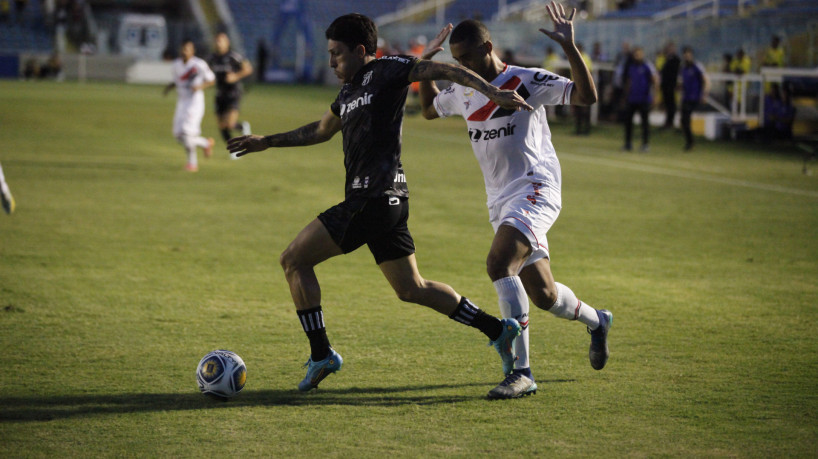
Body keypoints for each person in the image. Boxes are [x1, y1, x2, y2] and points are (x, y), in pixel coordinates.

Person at [226, 13, 533, 393]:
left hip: (373, 197)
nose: (331, 62)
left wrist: (493, 92)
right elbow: (321, 130)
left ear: (359, 50)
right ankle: (497, 329)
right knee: (412, 288)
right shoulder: (347, 92)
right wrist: (267, 141)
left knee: (293, 260)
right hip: (384, 201)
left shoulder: (388, 69)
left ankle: (321, 354)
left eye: (336, 54)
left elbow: (441, 69)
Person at [418, 1, 612, 400]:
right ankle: (598, 321)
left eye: (467, 57)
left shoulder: (526, 80)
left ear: (488, 47)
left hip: (536, 188)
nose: (463, 66)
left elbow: (585, 98)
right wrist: (427, 65)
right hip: (500, 201)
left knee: (498, 263)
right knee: (544, 296)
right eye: (457, 60)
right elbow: (428, 110)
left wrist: (571, 50)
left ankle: (521, 374)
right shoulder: (465, 91)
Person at [163, 39, 216, 172]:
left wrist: (200, 86)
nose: (184, 51)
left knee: (187, 134)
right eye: (183, 48)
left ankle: (192, 164)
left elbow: (212, 80)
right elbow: (178, 80)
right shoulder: (176, 65)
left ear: (193, 51)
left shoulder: (199, 65)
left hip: (194, 103)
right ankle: (205, 143)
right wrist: (169, 87)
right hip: (182, 102)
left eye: (187, 49)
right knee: (178, 135)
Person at [208, 32, 254, 145]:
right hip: (220, 93)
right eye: (217, 41)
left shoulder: (233, 56)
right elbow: (207, 72)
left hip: (233, 92)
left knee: (229, 123)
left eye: (221, 41)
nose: (218, 44)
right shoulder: (212, 58)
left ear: (227, 43)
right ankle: (232, 149)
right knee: (221, 126)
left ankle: (243, 126)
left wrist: (235, 76)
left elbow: (248, 68)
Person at [623, 46, 658, 152]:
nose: (637, 56)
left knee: (644, 124)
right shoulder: (631, 67)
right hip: (632, 98)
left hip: (644, 99)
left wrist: (655, 96)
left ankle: (645, 144)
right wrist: (626, 95)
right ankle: (628, 144)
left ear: (642, 54)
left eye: (638, 54)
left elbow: (655, 81)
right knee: (628, 122)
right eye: (635, 54)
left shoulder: (647, 66)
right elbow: (629, 82)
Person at [679, 46, 709, 151]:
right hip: (686, 97)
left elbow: (706, 80)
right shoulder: (683, 68)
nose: (687, 56)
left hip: (695, 97)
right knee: (683, 121)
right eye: (685, 54)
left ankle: (690, 142)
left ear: (691, 55)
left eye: (688, 54)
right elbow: (683, 82)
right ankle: (690, 141)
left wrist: (704, 94)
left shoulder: (697, 66)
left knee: (685, 120)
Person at [659, 42, 680, 128]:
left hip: (671, 85)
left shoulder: (676, 59)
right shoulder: (666, 59)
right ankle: (668, 121)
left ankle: (670, 122)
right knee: (667, 104)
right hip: (665, 85)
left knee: (671, 104)